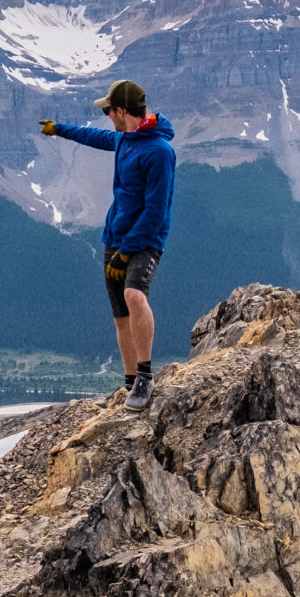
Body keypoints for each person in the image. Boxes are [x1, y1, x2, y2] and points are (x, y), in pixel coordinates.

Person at [39, 79, 175, 411]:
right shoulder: (126, 139)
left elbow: (156, 211)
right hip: (114, 238)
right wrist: (60, 130)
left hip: (144, 240)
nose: (106, 116)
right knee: (120, 316)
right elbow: (97, 137)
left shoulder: (159, 152)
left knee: (134, 296)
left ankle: (145, 377)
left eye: (108, 110)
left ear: (121, 111)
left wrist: (128, 250)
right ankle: (129, 383)